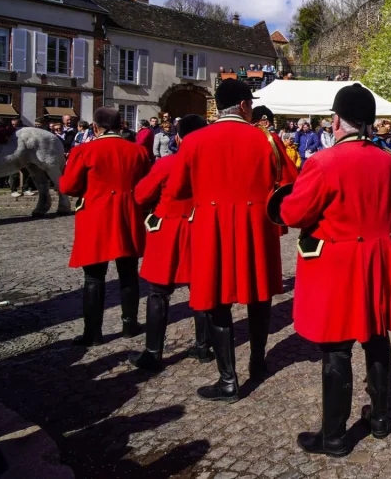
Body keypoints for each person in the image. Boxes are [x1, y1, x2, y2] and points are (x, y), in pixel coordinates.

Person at [278, 84, 391, 456]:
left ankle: (334, 436)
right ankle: (379, 419)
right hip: (378, 261)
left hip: (339, 265)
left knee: (336, 347)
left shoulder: (321, 162)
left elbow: (293, 214)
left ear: (337, 120)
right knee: (376, 337)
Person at [166, 79, 299, 402]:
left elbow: (175, 190)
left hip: (212, 227)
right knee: (260, 296)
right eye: (250, 104)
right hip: (257, 225)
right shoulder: (266, 139)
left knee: (216, 301)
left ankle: (228, 379)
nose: (252, 109)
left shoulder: (195, 141)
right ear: (242, 106)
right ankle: (257, 360)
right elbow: (291, 183)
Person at [58, 107, 150, 346]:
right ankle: (130, 324)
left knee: (93, 276)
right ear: (120, 126)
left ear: (96, 128)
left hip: (96, 216)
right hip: (128, 214)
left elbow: (68, 186)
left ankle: (93, 332)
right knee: (128, 273)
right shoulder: (138, 151)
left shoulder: (84, 150)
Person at [129, 115, 213, 371]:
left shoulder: (168, 164)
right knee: (201, 290)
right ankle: (203, 346)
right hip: (200, 228)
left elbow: (141, 195)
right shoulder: (212, 164)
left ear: (178, 137)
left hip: (168, 229)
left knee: (158, 293)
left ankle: (153, 352)